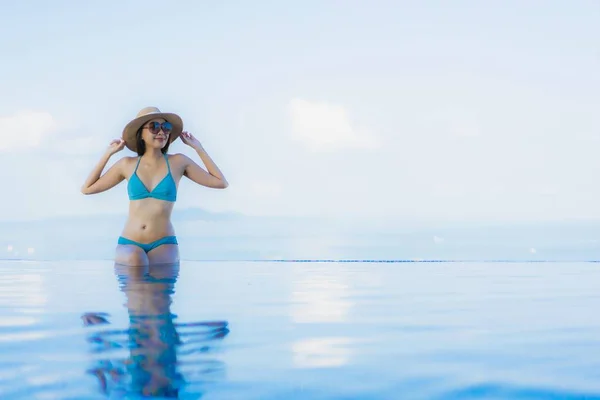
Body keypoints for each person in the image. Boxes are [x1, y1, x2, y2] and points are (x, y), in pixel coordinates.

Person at [81, 106, 228, 266]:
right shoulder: (127, 164)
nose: (161, 132)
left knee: (158, 280)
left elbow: (220, 182)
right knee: (137, 260)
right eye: (154, 127)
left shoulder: (178, 162)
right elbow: (87, 188)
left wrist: (198, 148)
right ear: (141, 134)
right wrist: (108, 153)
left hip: (164, 243)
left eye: (166, 127)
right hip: (130, 242)